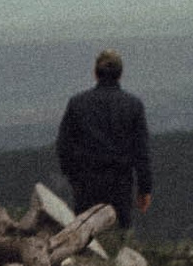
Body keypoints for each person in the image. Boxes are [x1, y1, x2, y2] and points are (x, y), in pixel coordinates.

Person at [56, 49, 153, 235]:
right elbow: (141, 152)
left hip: (86, 182)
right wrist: (144, 189)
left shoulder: (77, 103)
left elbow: (64, 145)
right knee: (120, 233)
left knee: (84, 234)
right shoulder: (133, 105)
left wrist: (73, 176)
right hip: (120, 182)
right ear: (120, 74)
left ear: (95, 73)